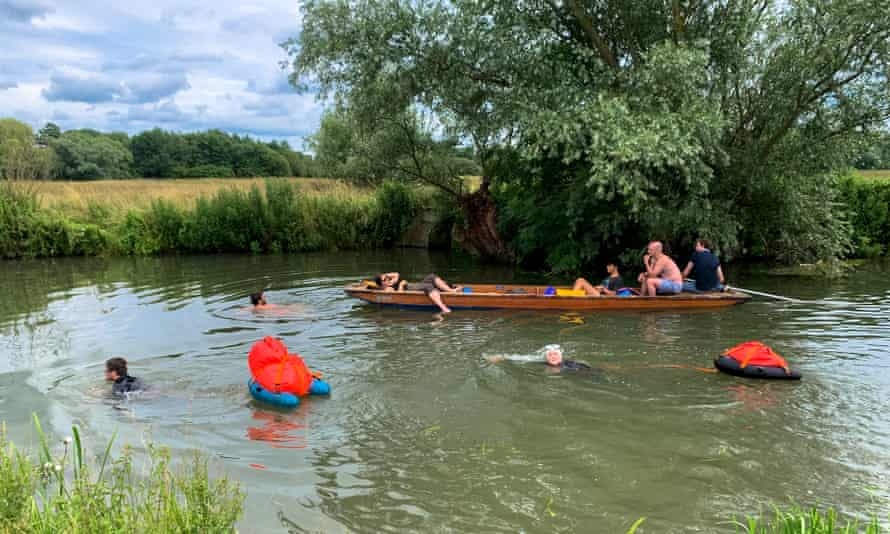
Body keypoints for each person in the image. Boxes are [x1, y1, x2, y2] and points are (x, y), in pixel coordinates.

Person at [373, 272, 462, 314]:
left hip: (414, 286)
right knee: (428, 286)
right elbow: (399, 296)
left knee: (431, 276)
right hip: (411, 290)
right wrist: (401, 284)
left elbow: (396, 274)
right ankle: (443, 308)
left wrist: (386, 276)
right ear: (381, 284)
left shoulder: (391, 282)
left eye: (387, 277)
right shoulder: (388, 289)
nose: (388, 279)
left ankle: (451, 291)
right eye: (385, 279)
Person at [487, 344, 592, 373]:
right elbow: (520, 358)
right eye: (550, 355)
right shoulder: (542, 361)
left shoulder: (571, 364)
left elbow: (588, 370)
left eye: (555, 354)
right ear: (545, 356)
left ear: (561, 356)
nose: (553, 357)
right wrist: (501, 357)